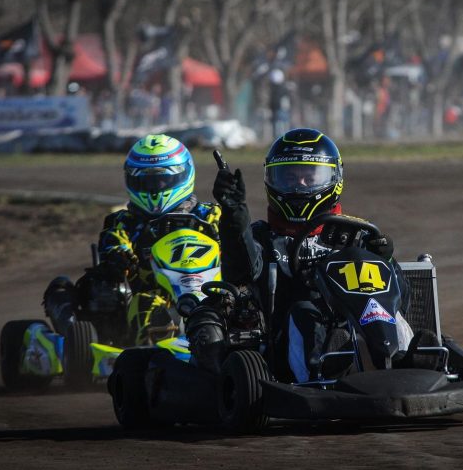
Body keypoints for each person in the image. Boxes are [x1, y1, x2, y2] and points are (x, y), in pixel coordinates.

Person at [192, 127, 431, 381]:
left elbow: (402, 299)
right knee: (304, 311)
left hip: (361, 331)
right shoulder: (264, 238)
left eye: (309, 177)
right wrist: (234, 213)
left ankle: (410, 361)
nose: (299, 185)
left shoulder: (355, 235)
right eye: (290, 178)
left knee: (386, 311)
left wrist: (385, 261)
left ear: (333, 179)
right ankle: (323, 371)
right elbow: (241, 268)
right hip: (284, 351)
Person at [43, 134, 221, 345]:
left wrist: (236, 216)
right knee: (62, 288)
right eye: (146, 182)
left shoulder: (210, 215)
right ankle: (143, 347)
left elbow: (240, 244)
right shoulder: (123, 222)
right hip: (146, 297)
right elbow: (113, 242)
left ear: (184, 175)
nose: (155, 188)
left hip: (209, 292)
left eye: (163, 180)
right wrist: (118, 257)